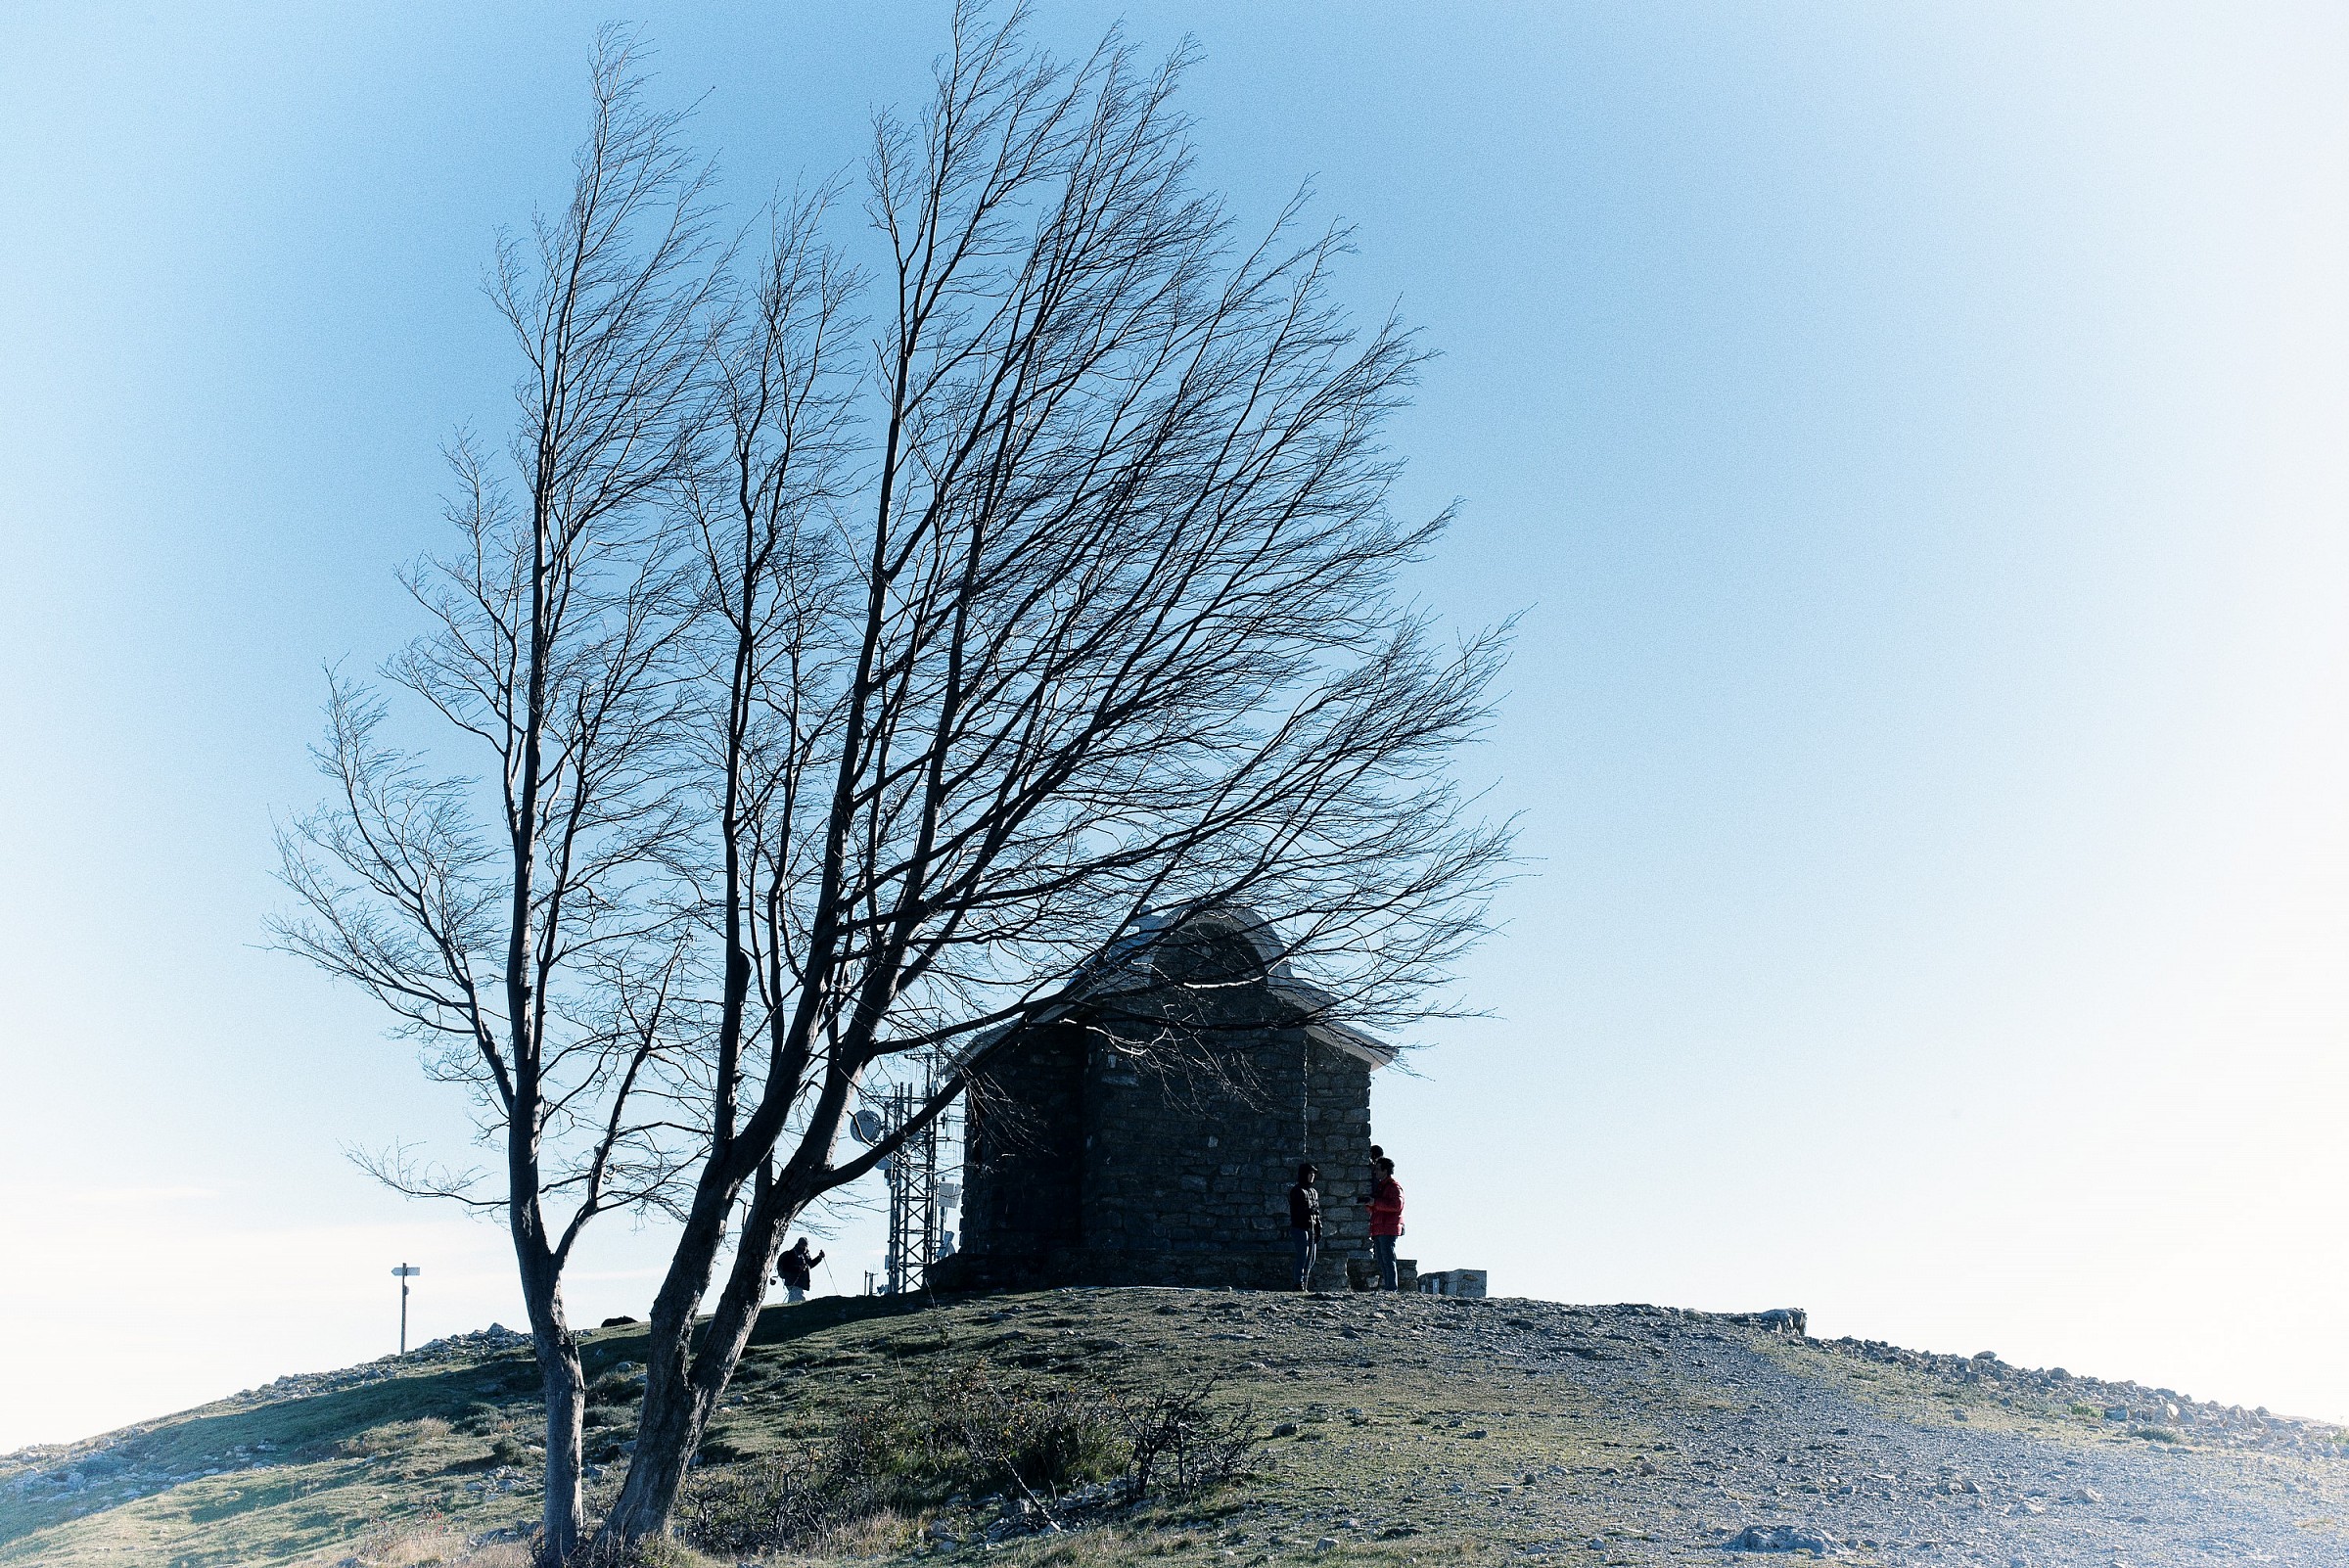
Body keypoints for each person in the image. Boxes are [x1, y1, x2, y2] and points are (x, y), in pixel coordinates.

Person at [1366, 1157, 1404, 1290]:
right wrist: (1370, 1204)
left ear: (1385, 1170)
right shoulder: (1382, 1187)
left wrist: (1375, 1203)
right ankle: (1390, 1287)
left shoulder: (1393, 1187)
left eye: (1378, 1169)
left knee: (1388, 1259)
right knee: (1383, 1260)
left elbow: (1396, 1205)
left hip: (1387, 1228)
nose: (1375, 1172)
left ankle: (1391, 1287)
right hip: (1379, 1228)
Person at [1287, 1163, 1322, 1291]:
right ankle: (1298, 1283)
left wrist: (1319, 1228)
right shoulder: (1297, 1191)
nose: (1312, 1176)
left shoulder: (1313, 1192)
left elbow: (1317, 1212)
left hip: (1311, 1228)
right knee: (1303, 1255)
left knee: (1312, 1257)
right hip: (1300, 1227)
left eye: (1313, 1174)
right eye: (1310, 1173)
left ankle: (1304, 1280)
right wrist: (1309, 1212)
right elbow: (1298, 1211)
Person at [776, 1236, 825, 1304]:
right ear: (799, 1244)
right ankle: (791, 1311)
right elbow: (786, 1268)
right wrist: (799, 1268)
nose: (804, 1247)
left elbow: (810, 1264)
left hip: (799, 1282)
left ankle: (789, 1311)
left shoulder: (805, 1254)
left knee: (796, 1299)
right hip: (792, 1281)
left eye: (805, 1245)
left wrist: (819, 1258)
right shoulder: (791, 1253)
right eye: (802, 1245)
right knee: (799, 1299)